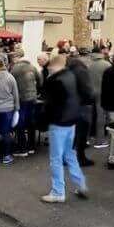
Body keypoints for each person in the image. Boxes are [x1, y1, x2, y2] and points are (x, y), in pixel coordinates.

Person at [40, 55, 88, 203]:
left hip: (58, 123)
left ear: (52, 66)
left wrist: (43, 122)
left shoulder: (54, 81)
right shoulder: (71, 76)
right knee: (70, 155)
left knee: (56, 158)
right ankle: (81, 185)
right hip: (71, 122)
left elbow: (49, 103)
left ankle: (58, 192)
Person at [67, 49, 96, 167]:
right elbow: (87, 89)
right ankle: (81, 158)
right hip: (83, 105)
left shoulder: (69, 70)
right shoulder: (81, 71)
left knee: (73, 134)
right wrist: (92, 97)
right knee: (82, 133)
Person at [10, 50, 41, 157]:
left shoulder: (14, 69)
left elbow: (10, 83)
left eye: (13, 57)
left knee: (20, 123)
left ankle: (22, 149)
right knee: (31, 122)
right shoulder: (32, 67)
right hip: (33, 98)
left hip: (21, 98)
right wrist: (36, 91)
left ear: (17, 57)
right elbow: (40, 80)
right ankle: (31, 147)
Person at [86, 46, 111, 148]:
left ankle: (86, 138)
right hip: (102, 93)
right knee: (101, 116)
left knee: (89, 116)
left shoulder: (88, 64)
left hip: (89, 92)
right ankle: (99, 140)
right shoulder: (107, 65)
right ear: (101, 53)